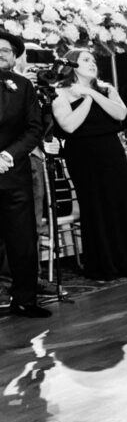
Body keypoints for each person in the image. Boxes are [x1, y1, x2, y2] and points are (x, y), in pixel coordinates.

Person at [52, 49, 127, 280]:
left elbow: (120, 113)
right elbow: (69, 126)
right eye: (86, 60)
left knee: (122, 202)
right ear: (72, 65)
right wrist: (85, 97)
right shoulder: (60, 92)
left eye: (94, 60)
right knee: (95, 205)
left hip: (111, 151)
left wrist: (93, 94)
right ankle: (105, 263)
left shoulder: (106, 88)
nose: (92, 63)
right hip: (82, 155)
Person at [0, 30, 48, 317]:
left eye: (7, 50)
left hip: (14, 172)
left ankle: (24, 299)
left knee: (23, 239)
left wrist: (8, 155)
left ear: (15, 56)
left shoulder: (23, 86)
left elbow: (34, 128)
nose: (1, 53)